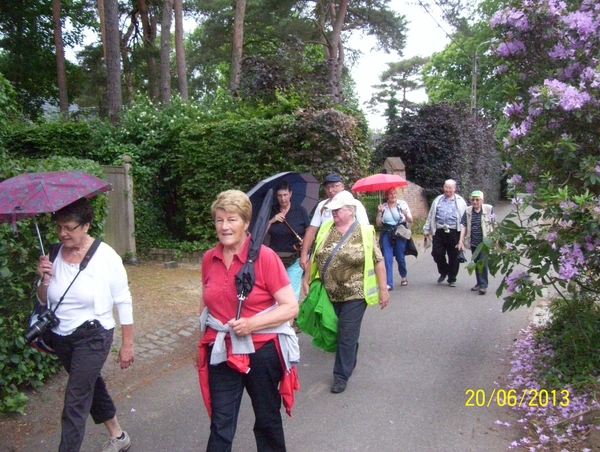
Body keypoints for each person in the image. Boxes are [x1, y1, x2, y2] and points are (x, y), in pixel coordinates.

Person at [197, 190, 300, 452]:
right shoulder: (210, 258)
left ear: (245, 223)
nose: (224, 226)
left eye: (232, 220)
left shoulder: (265, 258)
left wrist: (252, 324)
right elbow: (206, 301)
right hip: (222, 350)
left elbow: (291, 307)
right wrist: (199, 341)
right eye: (219, 220)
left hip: (262, 352)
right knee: (220, 423)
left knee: (266, 420)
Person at [36, 198, 134, 452]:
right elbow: (44, 300)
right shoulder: (54, 253)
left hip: (94, 334)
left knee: (75, 399)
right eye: (59, 227)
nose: (62, 233)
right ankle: (119, 435)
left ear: (86, 226)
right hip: (61, 336)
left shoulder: (106, 256)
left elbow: (123, 300)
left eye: (69, 227)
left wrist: (127, 344)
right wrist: (44, 279)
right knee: (90, 384)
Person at [302, 190, 389, 394]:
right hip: (328, 293)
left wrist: (383, 289)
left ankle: (341, 376)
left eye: (337, 210)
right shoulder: (325, 228)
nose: (333, 213)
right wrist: (306, 280)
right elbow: (315, 256)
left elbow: (378, 261)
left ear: (351, 211)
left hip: (355, 294)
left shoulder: (366, 231)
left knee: (346, 333)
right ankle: (351, 351)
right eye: (332, 209)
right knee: (335, 329)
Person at [300, 174, 369, 271]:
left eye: (334, 186)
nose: (330, 190)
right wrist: (304, 254)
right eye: (327, 187)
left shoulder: (355, 205)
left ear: (342, 187)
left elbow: (366, 231)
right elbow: (311, 231)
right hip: (325, 256)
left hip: (349, 256)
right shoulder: (322, 206)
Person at [267, 180, 310, 301]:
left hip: (294, 257)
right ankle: (277, 317)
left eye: (285, 195)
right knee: (274, 290)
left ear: (290, 194)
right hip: (274, 258)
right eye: (280, 195)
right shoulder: (271, 211)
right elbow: (261, 233)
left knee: (292, 292)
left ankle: (289, 316)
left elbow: (309, 231)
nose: (283, 198)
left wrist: (305, 250)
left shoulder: (300, 211)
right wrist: (271, 221)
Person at [423, 179, 467, 287]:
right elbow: (431, 215)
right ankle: (444, 271)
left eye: (450, 188)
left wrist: (464, 235)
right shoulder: (438, 200)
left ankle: (452, 278)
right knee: (437, 253)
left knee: (454, 256)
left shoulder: (460, 201)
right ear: (443, 187)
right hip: (439, 231)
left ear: (454, 189)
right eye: (446, 187)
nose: (447, 190)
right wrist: (426, 230)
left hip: (454, 231)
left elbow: (465, 219)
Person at [458, 190, 496, 295]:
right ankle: (479, 283)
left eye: (477, 200)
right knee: (476, 262)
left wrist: (496, 239)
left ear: (482, 201)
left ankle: (483, 285)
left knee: (483, 263)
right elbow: (463, 226)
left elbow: (494, 224)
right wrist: (461, 241)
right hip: (473, 242)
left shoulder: (489, 209)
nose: (475, 202)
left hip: (485, 242)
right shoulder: (468, 211)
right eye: (473, 200)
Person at [376, 187, 414, 289]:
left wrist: (406, 214)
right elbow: (379, 224)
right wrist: (379, 212)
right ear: (386, 196)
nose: (393, 196)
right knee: (387, 258)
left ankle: (403, 275)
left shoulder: (402, 204)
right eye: (390, 194)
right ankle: (389, 283)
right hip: (387, 233)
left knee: (400, 257)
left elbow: (411, 220)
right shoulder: (383, 207)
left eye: (394, 193)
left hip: (399, 233)